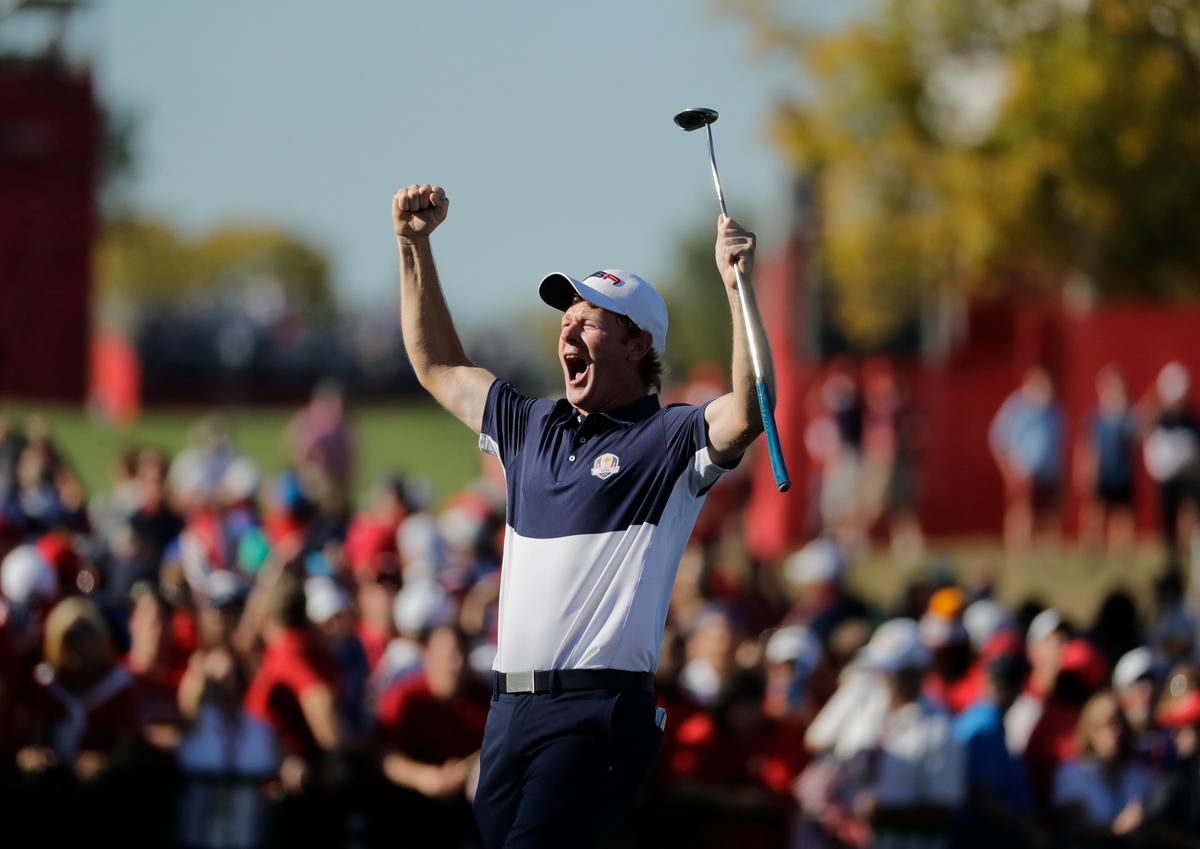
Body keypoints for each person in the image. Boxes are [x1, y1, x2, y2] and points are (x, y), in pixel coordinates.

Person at [391, 182, 772, 848]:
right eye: (565, 317)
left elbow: (748, 408)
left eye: (588, 318)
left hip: (597, 710)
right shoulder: (529, 425)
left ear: (637, 344)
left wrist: (737, 286)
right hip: (509, 710)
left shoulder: (668, 438)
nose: (567, 327)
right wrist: (412, 246)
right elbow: (439, 365)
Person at [989, 366, 1065, 552]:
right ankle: (1019, 550)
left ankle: (1046, 552)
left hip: (1049, 471)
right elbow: (998, 438)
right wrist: (1008, 470)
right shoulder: (1017, 407)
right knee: (1022, 511)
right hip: (1024, 471)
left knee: (1048, 513)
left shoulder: (1053, 411)